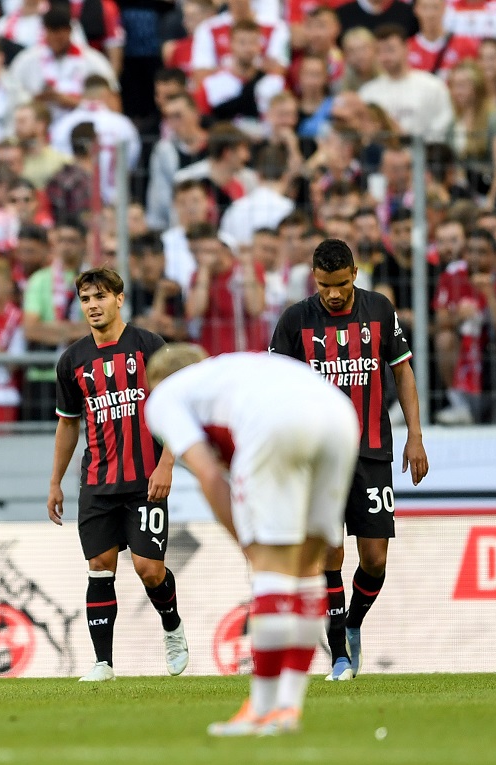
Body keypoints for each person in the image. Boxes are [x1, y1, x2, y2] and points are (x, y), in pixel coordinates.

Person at [144, 344, 360, 736]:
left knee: (273, 575)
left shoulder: (165, 396)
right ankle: (288, 710)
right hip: (341, 416)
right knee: (309, 573)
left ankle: (261, 709)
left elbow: (209, 476)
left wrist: (249, 546)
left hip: (276, 423)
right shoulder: (233, 371)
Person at [268, 238, 429, 681]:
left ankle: (353, 622)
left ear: (354, 273)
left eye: (340, 284)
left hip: (372, 450)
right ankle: (338, 654)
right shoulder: (294, 320)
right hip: (316, 457)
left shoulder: (379, 310)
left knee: (375, 558)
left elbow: (403, 372)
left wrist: (415, 436)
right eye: (324, 285)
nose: (333, 293)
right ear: (313, 278)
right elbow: (276, 389)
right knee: (331, 554)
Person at [48, 268, 190, 682]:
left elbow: (176, 410)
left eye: (100, 297)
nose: (93, 305)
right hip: (96, 483)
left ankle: (172, 626)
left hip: (146, 480)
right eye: (86, 298)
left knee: (149, 569)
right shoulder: (72, 361)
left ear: (119, 299)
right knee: (100, 567)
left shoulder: (149, 347)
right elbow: (68, 423)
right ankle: (103, 664)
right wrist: (55, 480)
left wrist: (167, 463)